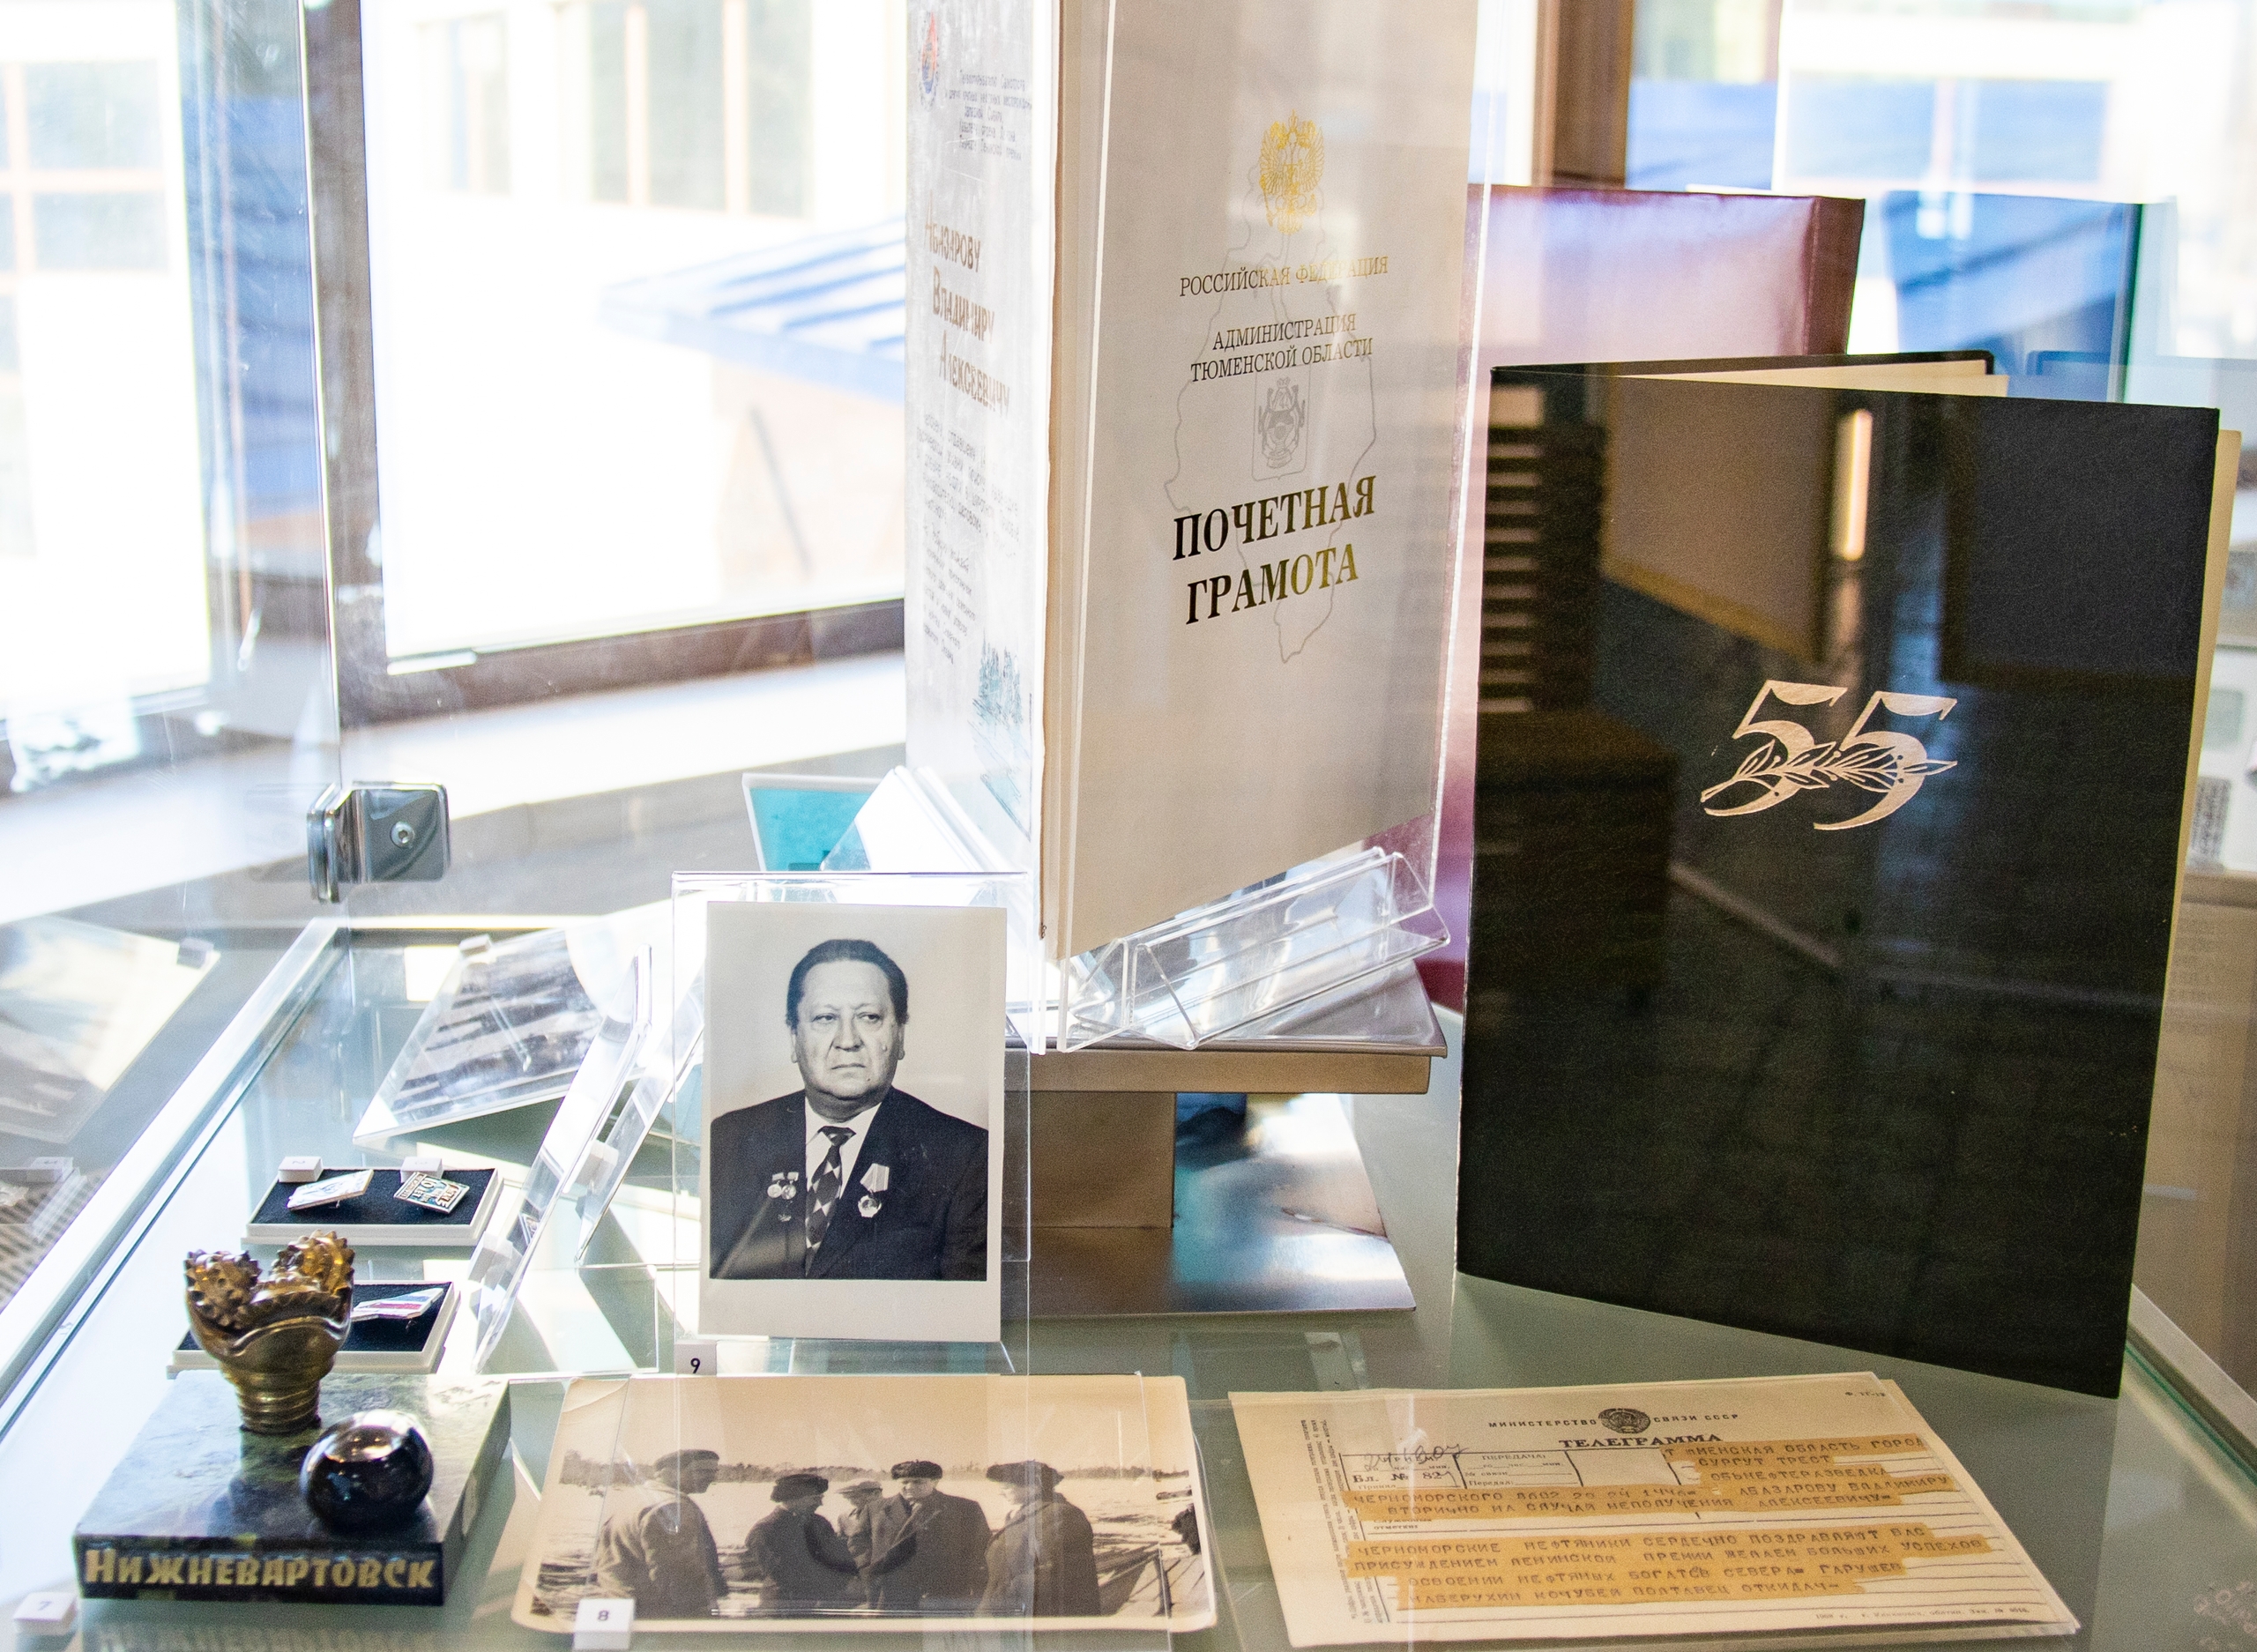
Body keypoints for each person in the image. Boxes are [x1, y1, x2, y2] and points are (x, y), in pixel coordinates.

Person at [709, 939, 987, 1281]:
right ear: (794, 1038)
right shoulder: (730, 1140)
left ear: (900, 1035)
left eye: (869, 1017)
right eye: (825, 1018)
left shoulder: (964, 1157)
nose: (847, 1040)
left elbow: (963, 1307)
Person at [591, 1448, 726, 1619]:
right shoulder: (673, 1508)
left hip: (619, 1607)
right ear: (668, 1473)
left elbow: (605, 1560)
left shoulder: (631, 1501)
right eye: (701, 1471)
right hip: (658, 1615)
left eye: (714, 1472)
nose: (712, 1478)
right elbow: (679, 1578)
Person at [864, 1457, 991, 1611]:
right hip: (891, 1593)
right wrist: (868, 1574)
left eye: (918, 1482)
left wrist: (972, 1590)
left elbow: (980, 1549)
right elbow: (860, 1546)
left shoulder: (965, 1508)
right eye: (904, 1482)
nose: (909, 1487)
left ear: (935, 1481)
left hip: (944, 1594)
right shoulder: (875, 1509)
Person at [979, 1461, 1100, 1618]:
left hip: (1043, 1620)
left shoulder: (1061, 1515)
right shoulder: (1024, 1513)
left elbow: (1050, 1573)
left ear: (1033, 1487)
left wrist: (999, 1598)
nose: (1001, 1493)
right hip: (1011, 1614)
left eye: (1007, 1486)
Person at [741, 1472, 860, 1612]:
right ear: (794, 1498)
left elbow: (840, 1557)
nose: (820, 1503)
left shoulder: (819, 1523)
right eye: (815, 1498)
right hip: (784, 1604)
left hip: (825, 1600)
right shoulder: (764, 1530)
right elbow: (781, 1573)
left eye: (821, 1498)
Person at [835, 1477, 886, 1581]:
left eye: (855, 1497)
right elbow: (842, 1546)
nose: (852, 1502)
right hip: (860, 1574)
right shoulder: (845, 1517)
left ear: (876, 1494)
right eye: (848, 1498)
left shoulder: (896, 1512)